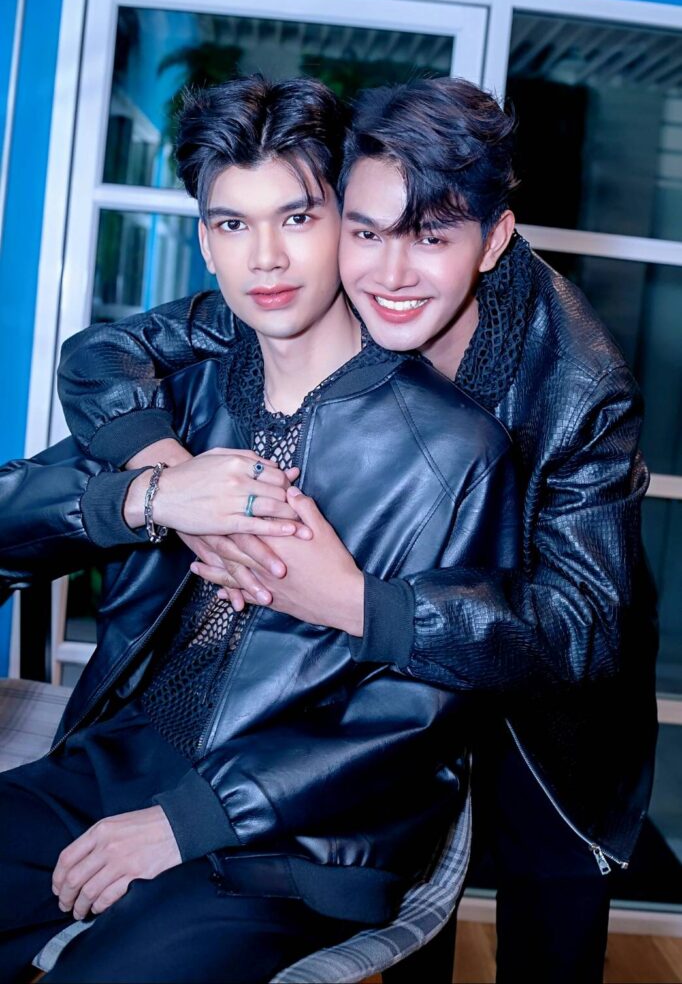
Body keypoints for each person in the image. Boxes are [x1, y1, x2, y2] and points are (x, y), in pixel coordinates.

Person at [52, 76, 659, 984]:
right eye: (368, 232)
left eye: (433, 237)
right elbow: (104, 355)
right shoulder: (323, 290)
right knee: (408, 876)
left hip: (542, 689)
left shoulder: (579, 384)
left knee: (549, 930)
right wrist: (172, 477)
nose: (390, 274)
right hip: (386, 691)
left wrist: (355, 602)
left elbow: (580, 629)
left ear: (495, 239)